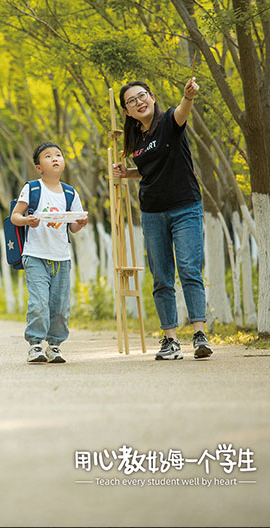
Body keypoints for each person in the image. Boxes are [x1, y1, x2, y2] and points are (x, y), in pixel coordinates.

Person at [113, 77, 213, 360]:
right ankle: (170, 340)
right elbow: (148, 171)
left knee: (189, 269)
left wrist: (189, 96)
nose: (138, 102)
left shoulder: (170, 120)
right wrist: (126, 173)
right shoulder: (136, 139)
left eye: (142, 96)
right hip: (152, 213)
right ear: (127, 111)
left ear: (152, 96)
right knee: (161, 278)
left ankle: (199, 334)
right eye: (131, 101)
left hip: (185, 207)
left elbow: (183, 110)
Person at [11, 142, 88, 364]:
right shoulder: (32, 188)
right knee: (38, 303)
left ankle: (54, 346)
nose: (55, 158)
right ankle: (35, 345)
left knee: (61, 306)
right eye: (48, 156)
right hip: (35, 255)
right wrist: (27, 221)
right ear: (39, 167)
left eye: (58, 155)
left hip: (62, 257)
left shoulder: (70, 193)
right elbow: (15, 216)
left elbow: (72, 227)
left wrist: (81, 223)